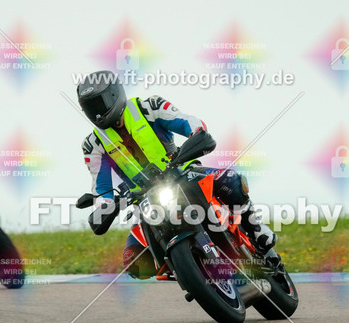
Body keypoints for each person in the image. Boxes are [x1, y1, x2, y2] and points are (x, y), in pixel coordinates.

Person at [77, 71, 277, 278]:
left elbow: (188, 122)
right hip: (144, 199)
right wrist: (105, 207)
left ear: (114, 95)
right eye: (90, 108)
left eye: (99, 104)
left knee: (230, 181)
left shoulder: (149, 107)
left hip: (183, 172)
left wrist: (196, 134)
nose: (96, 113)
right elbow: (101, 187)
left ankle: (257, 228)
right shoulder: (93, 145)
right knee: (135, 263)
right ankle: (190, 275)